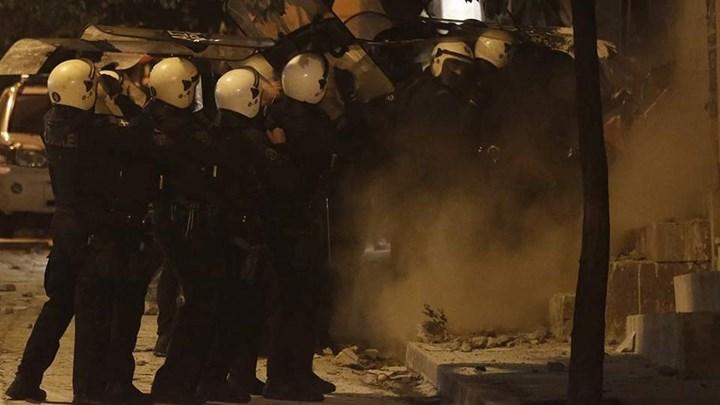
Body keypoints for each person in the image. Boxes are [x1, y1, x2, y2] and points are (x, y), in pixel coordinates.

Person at [143, 57, 253, 405]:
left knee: (211, 302)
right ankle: (174, 383)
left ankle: (198, 380)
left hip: (188, 223)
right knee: (200, 305)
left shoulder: (161, 120)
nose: (194, 93)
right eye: (190, 86)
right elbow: (208, 148)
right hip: (184, 225)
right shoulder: (173, 128)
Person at [4, 59, 110, 404]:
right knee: (90, 310)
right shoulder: (92, 132)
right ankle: (87, 390)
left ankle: (26, 378)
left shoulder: (52, 122)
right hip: (88, 227)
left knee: (58, 306)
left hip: (65, 226)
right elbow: (130, 138)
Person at [262, 52, 337, 402]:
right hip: (292, 222)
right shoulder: (301, 121)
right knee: (294, 303)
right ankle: (284, 377)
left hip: (296, 220)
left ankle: (298, 371)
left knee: (303, 302)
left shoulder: (281, 114)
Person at [199, 67, 273, 400]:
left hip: (217, 232)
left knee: (221, 309)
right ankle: (216, 378)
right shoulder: (250, 140)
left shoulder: (212, 133)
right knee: (236, 312)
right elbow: (270, 182)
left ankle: (216, 376)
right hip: (240, 234)